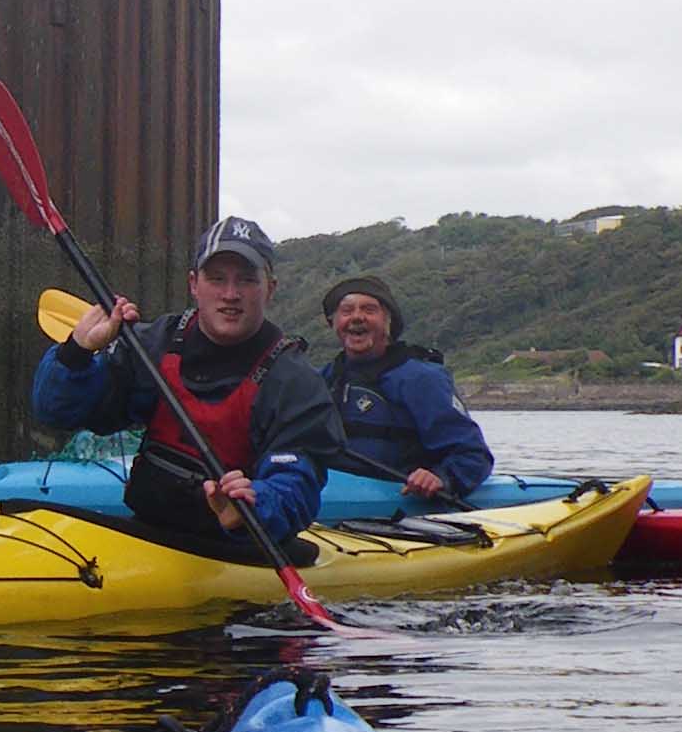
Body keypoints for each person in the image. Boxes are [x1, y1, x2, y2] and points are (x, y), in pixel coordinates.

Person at [29, 217, 332, 547]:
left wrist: (255, 504)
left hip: (241, 549)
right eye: (216, 279)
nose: (230, 294)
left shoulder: (296, 383)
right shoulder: (154, 343)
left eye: (246, 280)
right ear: (194, 284)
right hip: (150, 533)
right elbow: (55, 413)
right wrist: (77, 352)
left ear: (269, 288)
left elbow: (296, 481)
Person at [316, 271, 495, 504]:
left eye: (369, 310)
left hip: (401, 506)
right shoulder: (319, 381)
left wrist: (442, 477)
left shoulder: (422, 379)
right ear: (334, 323)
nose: (357, 317)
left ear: (388, 322)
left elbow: (474, 455)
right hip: (329, 499)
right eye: (347, 311)